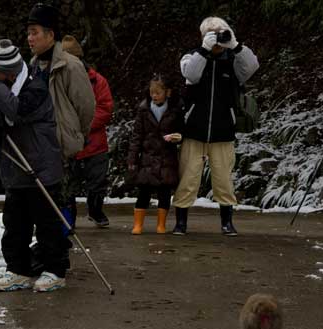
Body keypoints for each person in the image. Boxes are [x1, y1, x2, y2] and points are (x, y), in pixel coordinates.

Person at [0, 39, 69, 292]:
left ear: (10, 72)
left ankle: (55, 271)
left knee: (47, 222)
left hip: (39, 166)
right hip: (16, 165)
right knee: (15, 223)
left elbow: (16, 111)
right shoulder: (3, 86)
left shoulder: (35, 87)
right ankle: (18, 270)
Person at [172, 16, 259, 236]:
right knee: (188, 178)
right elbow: (191, 74)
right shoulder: (192, 56)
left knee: (223, 179)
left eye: (221, 32)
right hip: (193, 130)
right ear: (203, 36)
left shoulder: (232, 60)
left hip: (223, 131)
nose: (218, 37)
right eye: (213, 33)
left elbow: (252, 67)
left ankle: (226, 222)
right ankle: (181, 222)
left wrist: (236, 46)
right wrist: (204, 50)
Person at [26, 3, 96, 230]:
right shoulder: (33, 66)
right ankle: (48, 250)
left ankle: (63, 248)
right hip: (37, 147)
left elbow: (86, 107)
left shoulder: (71, 66)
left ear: (51, 34)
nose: (30, 38)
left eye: (35, 32)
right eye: (28, 33)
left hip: (61, 146)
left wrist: (76, 135)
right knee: (43, 203)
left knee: (62, 198)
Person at [61, 34, 114, 228]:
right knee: (68, 186)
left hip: (95, 142)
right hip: (68, 143)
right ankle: (69, 219)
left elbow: (105, 108)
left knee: (98, 182)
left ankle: (95, 210)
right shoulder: (56, 80)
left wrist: (83, 125)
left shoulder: (97, 81)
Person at [126, 74, 183, 235]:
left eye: (158, 92)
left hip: (167, 157)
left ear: (167, 92)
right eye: (152, 92)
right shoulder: (143, 109)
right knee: (143, 191)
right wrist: (132, 158)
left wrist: (177, 137)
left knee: (164, 193)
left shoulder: (175, 110)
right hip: (147, 158)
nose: (154, 96)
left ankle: (161, 224)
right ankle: (138, 224)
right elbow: (137, 136)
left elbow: (181, 130)